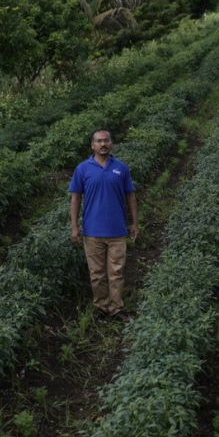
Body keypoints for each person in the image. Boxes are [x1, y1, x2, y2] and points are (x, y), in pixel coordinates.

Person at [69, 129, 138, 318]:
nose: (103, 144)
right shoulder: (82, 169)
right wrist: (75, 226)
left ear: (111, 143)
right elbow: (75, 198)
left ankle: (116, 308)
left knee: (116, 273)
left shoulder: (121, 168)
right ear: (92, 145)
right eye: (98, 141)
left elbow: (130, 195)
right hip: (92, 232)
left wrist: (134, 223)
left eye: (106, 140)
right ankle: (101, 306)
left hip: (117, 231)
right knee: (97, 274)